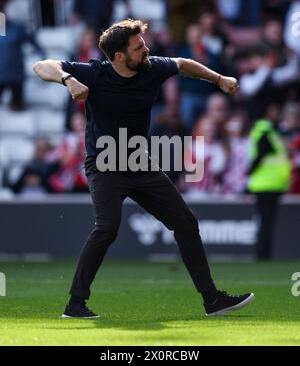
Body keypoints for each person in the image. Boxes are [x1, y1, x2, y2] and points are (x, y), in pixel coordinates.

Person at [33, 19, 254, 318]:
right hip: (105, 164)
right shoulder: (96, 73)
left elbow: (184, 64)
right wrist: (67, 80)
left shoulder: (151, 67)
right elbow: (41, 65)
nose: (146, 50)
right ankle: (75, 304)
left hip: (140, 164)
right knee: (107, 228)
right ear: (120, 56)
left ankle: (212, 300)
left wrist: (218, 79)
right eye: (139, 47)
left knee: (186, 223)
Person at [247, 103, 291, 260]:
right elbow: (260, 156)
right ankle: (262, 255)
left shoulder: (267, 131)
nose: (277, 114)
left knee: (266, 222)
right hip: (266, 184)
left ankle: (263, 255)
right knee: (266, 222)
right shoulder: (265, 131)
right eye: (275, 111)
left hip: (268, 184)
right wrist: (249, 175)